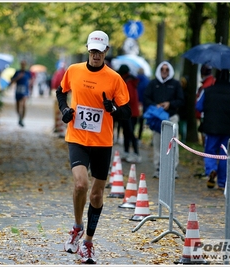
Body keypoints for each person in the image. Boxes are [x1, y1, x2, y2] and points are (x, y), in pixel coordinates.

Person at [56, 30, 131, 264]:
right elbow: (61, 91)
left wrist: (113, 109)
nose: (96, 55)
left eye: (100, 51)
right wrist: (65, 111)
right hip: (77, 138)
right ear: (88, 50)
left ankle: (88, 242)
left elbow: (127, 113)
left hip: (102, 143)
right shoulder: (74, 71)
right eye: (93, 51)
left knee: (97, 195)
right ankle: (77, 226)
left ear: (106, 51)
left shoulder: (115, 79)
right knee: (80, 184)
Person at [195, 69, 230, 190]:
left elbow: (198, 106)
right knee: (224, 155)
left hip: (211, 127)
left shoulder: (207, 91)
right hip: (228, 128)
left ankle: (211, 169)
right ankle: (222, 183)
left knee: (210, 151)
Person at [143, 61, 184, 179]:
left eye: (167, 70)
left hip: (171, 117)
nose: (164, 72)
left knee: (173, 143)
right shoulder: (153, 83)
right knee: (157, 143)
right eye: (162, 70)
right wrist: (154, 105)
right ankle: (158, 167)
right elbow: (146, 98)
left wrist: (170, 104)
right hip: (157, 118)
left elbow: (181, 100)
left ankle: (173, 168)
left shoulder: (175, 84)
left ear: (170, 71)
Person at [117, 64, 141, 163]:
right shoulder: (130, 80)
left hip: (129, 112)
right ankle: (126, 152)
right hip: (131, 111)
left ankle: (136, 154)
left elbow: (128, 97)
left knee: (130, 133)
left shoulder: (127, 82)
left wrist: (118, 101)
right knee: (126, 133)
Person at [195, 64, 216, 145]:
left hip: (206, 118)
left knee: (208, 146)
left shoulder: (205, 87)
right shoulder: (213, 82)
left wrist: (198, 116)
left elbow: (198, 106)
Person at [9, 60, 33, 127]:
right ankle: (19, 117)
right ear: (20, 65)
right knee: (17, 105)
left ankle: (22, 119)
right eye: (22, 64)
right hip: (18, 90)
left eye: (24, 64)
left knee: (23, 104)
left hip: (25, 90)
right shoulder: (17, 72)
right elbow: (12, 81)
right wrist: (18, 77)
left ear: (25, 65)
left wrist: (30, 89)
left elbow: (31, 81)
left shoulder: (28, 73)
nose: (23, 65)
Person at [51, 62, 67, 137]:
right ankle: (62, 128)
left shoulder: (57, 73)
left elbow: (54, 83)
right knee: (65, 111)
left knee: (57, 111)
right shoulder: (67, 72)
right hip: (67, 94)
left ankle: (57, 127)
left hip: (58, 93)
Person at [135, 67, 150, 142]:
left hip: (135, 103)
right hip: (144, 104)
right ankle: (139, 137)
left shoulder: (135, 80)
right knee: (141, 121)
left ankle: (133, 136)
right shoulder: (147, 81)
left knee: (134, 120)